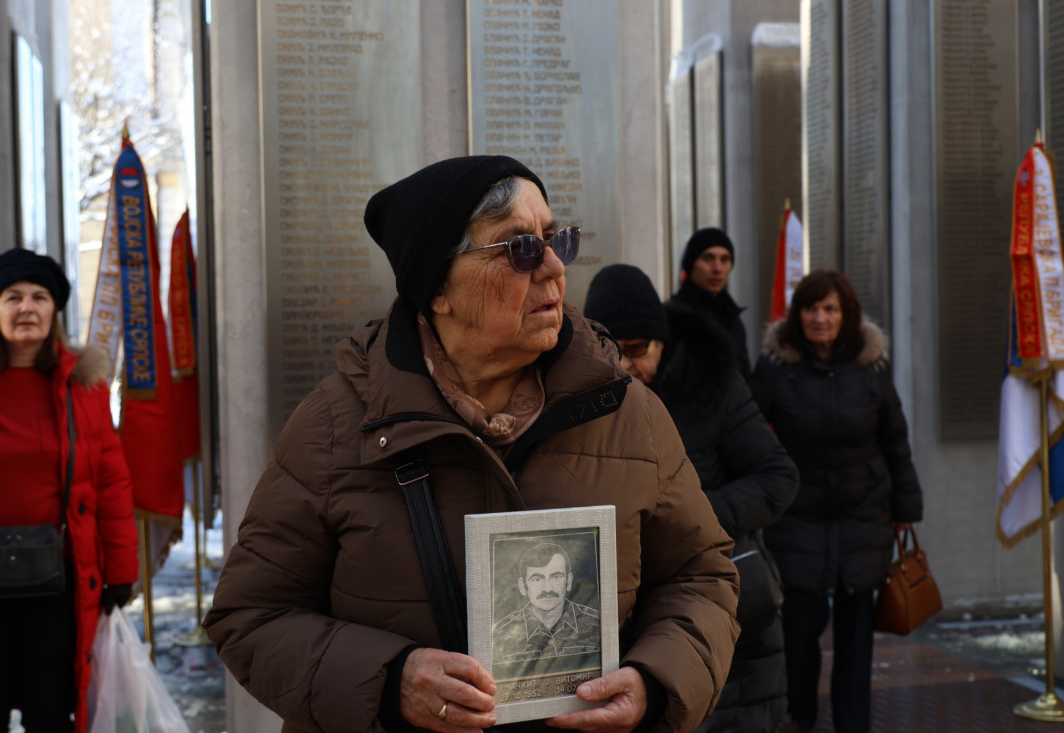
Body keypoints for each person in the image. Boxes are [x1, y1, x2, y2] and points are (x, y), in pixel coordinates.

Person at [204, 155, 740, 733]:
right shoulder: (334, 427)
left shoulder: (627, 413)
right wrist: (389, 681)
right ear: (438, 288)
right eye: (520, 249)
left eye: (555, 238)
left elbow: (702, 575)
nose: (556, 268)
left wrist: (654, 682)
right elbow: (250, 615)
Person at [584, 264, 799, 733]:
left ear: (662, 340)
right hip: (644, 638)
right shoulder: (591, 403)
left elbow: (778, 477)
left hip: (732, 620)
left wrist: (689, 521)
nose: (625, 367)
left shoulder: (715, 385)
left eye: (637, 350)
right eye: (610, 351)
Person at [749, 270, 923, 733]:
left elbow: (895, 438)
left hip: (862, 513)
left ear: (846, 316)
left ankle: (853, 723)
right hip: (796, 514)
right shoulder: (775, 366)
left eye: (830, 309)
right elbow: (746, 433)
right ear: (798, 314)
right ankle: (800, 712)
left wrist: (906, 507)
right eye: (811, 308)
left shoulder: (871, 367)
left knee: (855, 634)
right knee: (799, 626)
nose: (820, 318)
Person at [0, 248, 138, 733]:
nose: (26, 307)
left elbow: (112, 483)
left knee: (50, 709)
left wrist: (121, 571)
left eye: (39, 296)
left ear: (54, 310)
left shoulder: (84, 387)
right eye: (12, 297)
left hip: (59, 579)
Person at [492, 542, 600, 665]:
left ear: (569, 581)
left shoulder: (596, 625)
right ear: (522, 586)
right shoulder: (501, 635)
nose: (547, 589)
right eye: (537, 579)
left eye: (556, 577)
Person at [671, 228, 750, 380]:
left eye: (724, 259)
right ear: (691, 263)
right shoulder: (675, 319)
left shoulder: (733, 319)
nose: (717, 269)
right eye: (708, 258)